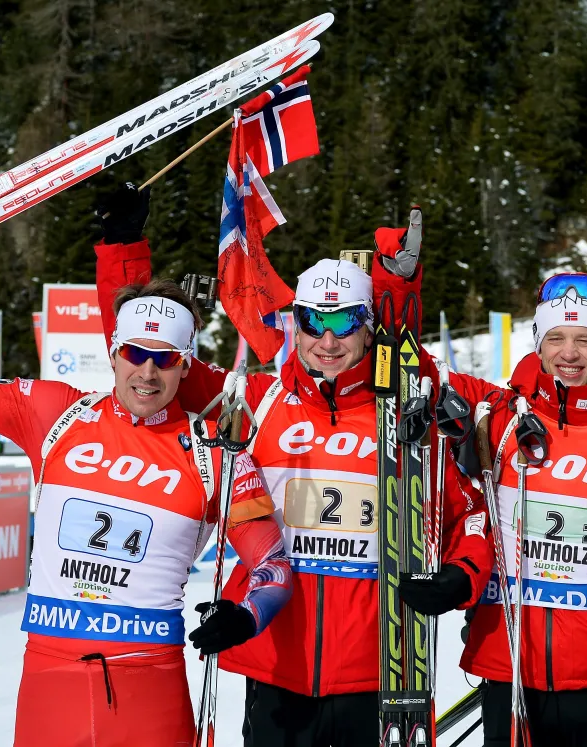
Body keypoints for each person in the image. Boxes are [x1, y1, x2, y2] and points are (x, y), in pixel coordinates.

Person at [93, 185, 493, 747]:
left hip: (384, 672)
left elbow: (472, 514)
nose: (327, 342)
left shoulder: (410, 413)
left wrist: (461, 577)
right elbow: (146, 353)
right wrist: (123, 250)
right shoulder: (256, 402)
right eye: (312, 323)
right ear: (295, 325)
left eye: (345, 324)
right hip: (276, 666)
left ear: (368, 325)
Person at [0, 235, 293, 747]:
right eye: (136, 352)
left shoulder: (218, 456)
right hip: (51, 682)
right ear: (114, 353)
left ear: (186, 365)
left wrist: (245, 615)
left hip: (150, 687)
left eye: (167, 358)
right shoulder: (54, 415)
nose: (148, 371)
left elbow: (273, 569)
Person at [370, 250, 587, 746]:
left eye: (584, 340)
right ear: (538, 342)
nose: (568, 354)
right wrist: (397, 287)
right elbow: (412, 372)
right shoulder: (499, 416)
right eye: (555, 338)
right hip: (507, 675)